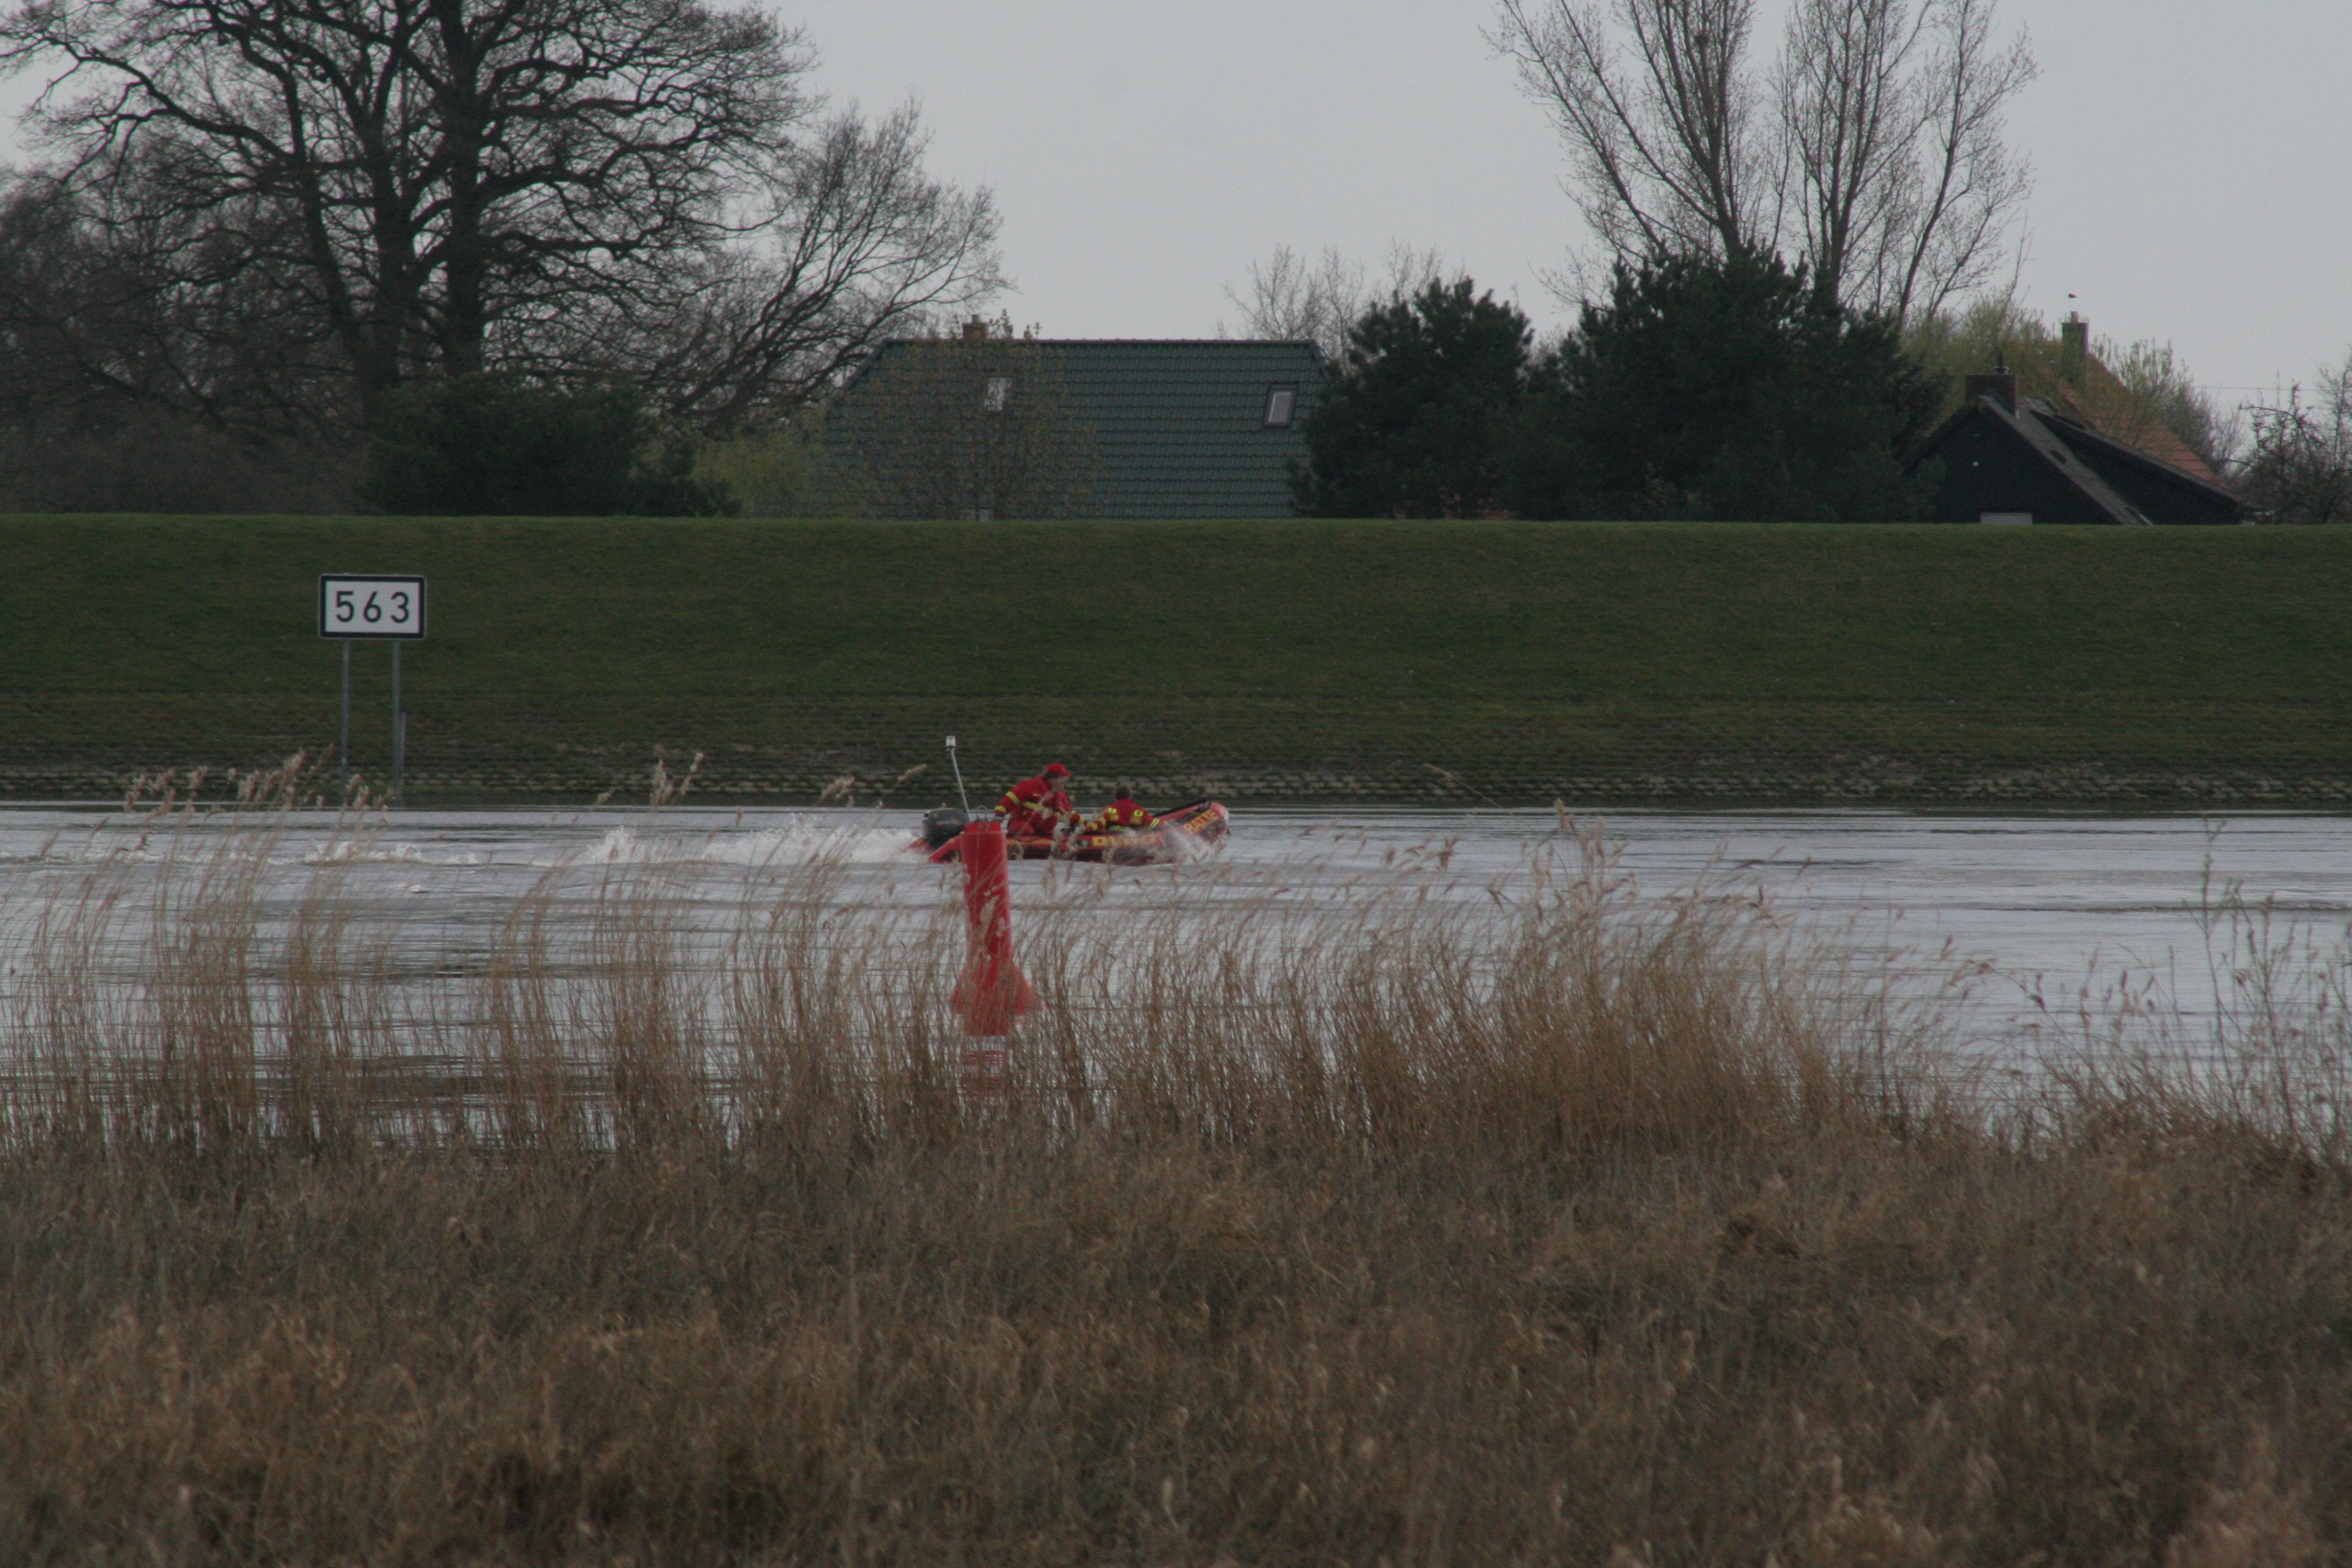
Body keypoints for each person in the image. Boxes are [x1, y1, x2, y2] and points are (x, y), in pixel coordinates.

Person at [995, 762, 1075, 838]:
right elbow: (1009, 800)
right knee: (1025, 830)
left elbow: (1068, 813)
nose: (1065, 781)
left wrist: (1084, 825)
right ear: (1054, 778)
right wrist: (999, 815)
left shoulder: (1061, 795)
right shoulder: (1029, 786)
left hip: (1045, 831)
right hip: (1021, 825)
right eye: (1062, 778)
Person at [1089, 785, 1156, 834]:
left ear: (1115, 797)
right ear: (1130, 797)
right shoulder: (1140, 811)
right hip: (1133, 838)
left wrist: (1087, 829)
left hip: (1112, 838)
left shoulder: (1109, 810)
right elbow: (1154, 824)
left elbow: (1098, 824)